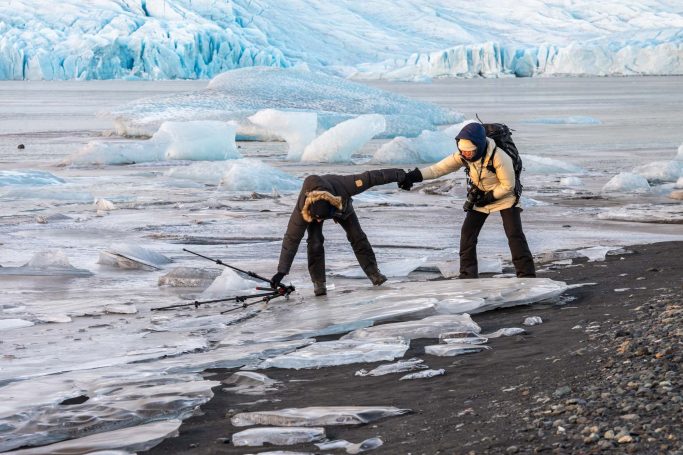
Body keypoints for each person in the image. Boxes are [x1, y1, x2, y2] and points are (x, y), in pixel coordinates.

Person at [399, 122, 536, 279]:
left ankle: (527, 276)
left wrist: (489, 198)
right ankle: (467, 276)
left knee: (514, 235)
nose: (466, 155)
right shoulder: (463, 155)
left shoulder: (499, 157)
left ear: (479, 146)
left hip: (505, 196)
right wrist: (412, 177)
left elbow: (508, 186)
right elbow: (437, 169)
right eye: (463, 151)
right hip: (480, 196)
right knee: (467, 235)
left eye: (469, 152)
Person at [271, 168, 407, 296]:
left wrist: (401, 175)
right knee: (315, 242)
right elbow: (291, 239)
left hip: (342, 207)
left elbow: (372, 177)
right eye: (317, 219)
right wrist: (281, 272)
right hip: (315, 210)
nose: (319, 222)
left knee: (357, 236)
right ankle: (319, 283)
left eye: (322, 219)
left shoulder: (345, 185)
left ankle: (374, 274)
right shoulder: (304, 208)